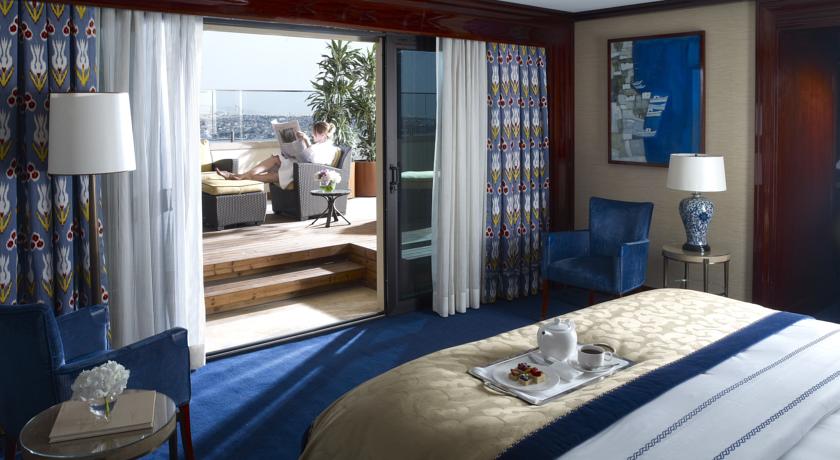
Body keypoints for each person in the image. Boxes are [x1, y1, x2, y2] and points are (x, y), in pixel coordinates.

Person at [216, 121, 337, 186]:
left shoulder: (329, 149)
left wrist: (306, 140)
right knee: (275, 158)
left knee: (272, 176)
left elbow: (313, 162)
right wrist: (289, 152)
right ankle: (240, 176)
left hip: (301, 172)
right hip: (295, 165)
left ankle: (236, 177)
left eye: (314, 134)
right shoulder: (317, 145)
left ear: (323, 135)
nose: (312, 135)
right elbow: (305, 155)